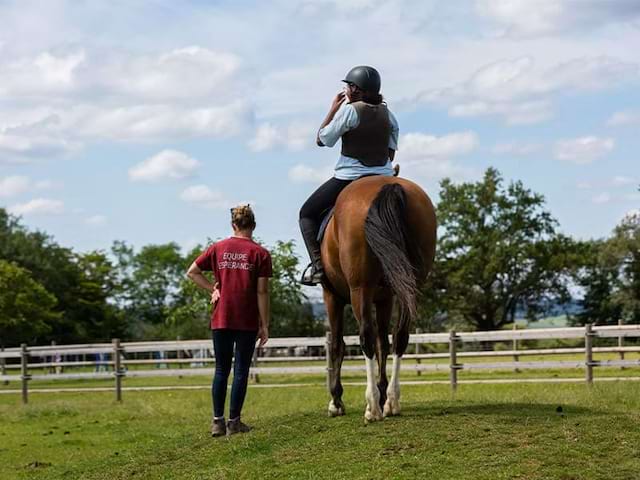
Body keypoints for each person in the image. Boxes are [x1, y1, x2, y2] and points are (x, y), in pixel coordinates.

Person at [299, 65, 399, 285]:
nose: (347, 90)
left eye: (350, 86)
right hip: (384, 176)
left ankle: (317, 268)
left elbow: (322, 140)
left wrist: (333, 109)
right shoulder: (390, 116)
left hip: (350, 176)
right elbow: (390, 154)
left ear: (358, 90)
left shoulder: (350, 111)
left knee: (306, 213)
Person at [187, 205, 272, 437]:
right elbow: (262, 292)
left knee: (221, 370)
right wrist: (264, 324)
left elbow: (192, 271)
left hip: (222, 317)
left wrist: (211, 290)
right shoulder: (261, 254)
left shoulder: (217, 248)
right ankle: (234, 422)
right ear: (253, 226)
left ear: (233, 225)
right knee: (241, 370)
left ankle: (217, 422)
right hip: (246, 319)